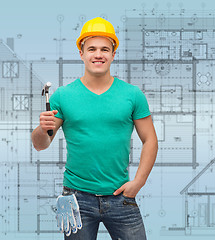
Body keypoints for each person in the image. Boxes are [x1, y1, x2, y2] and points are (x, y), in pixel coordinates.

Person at [31, 17, 158, 240]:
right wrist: (42, 128)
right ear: (82, 53)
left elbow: (150, 139)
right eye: (91, 49)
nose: (98, 54)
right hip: (77, 199)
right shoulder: (63, 95)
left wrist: (139, 181)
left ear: (113, 54)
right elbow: (41, 145)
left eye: (104, 49)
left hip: (121, 197)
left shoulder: (132, 94)